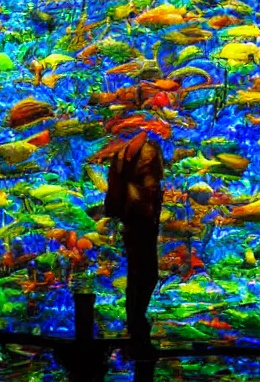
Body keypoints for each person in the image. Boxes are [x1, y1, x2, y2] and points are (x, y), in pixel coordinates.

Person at [104, 131, 164, 356]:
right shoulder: (146, 150)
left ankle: (136, 329)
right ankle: (138, 331)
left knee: (137, 274)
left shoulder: (121, 154)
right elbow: (149, 186)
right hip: (141, 219)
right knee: (146, 274)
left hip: (131, 218)